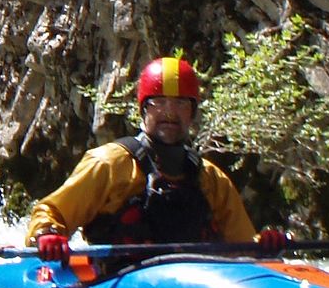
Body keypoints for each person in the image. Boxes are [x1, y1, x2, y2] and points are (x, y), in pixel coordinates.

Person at [25, 56, 286, 267]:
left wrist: (264, 245)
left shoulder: (210, 177)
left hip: (196, 282)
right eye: (158, 103)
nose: (169, 114)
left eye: (180, 104)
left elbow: (243, 246)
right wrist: (46, 234)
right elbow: (51, 211)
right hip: (120, 277)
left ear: (192, 113)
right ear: (144, 110)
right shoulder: (109, 164)